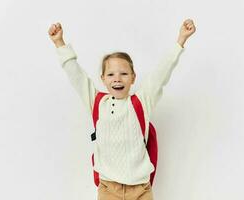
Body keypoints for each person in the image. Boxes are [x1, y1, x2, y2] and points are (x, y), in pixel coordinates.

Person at [48, 19, 196, 200]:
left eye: (124, 74)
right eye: (111, 74)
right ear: (102, 78)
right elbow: (76, 75)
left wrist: (180, 40)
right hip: (108, 188)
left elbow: (161, 73)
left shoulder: (141, 102)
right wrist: (59, 43)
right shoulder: (97, 103)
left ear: (133, 78)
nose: (117, 78)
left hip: (140, 189)